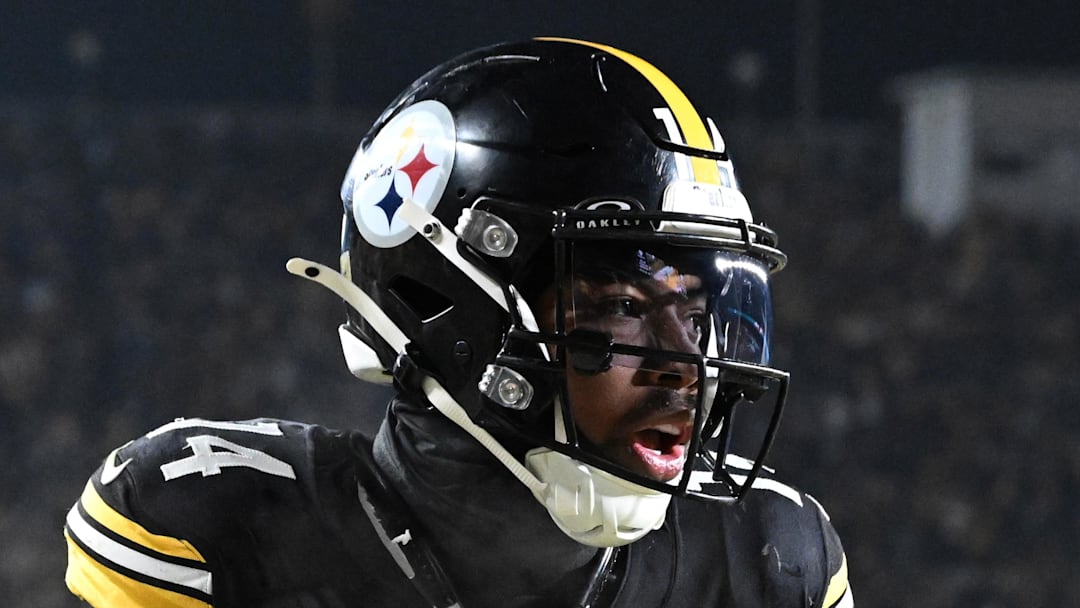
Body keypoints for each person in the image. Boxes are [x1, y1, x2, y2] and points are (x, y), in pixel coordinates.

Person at [63, 37, 853, 607]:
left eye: (698, 313)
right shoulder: (217, 529)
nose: (692, 367)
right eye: (622, 307)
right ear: (446, 304)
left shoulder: (769, 559)